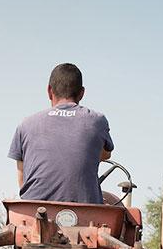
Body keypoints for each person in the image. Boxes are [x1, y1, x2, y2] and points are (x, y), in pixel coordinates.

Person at [8, 63, 114, 204]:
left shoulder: (26, 124)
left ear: (49, 91)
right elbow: (106, 154)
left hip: (35, 210)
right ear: (82, 93)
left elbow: (22, 178)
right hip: (87, 211)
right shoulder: (97, 121)